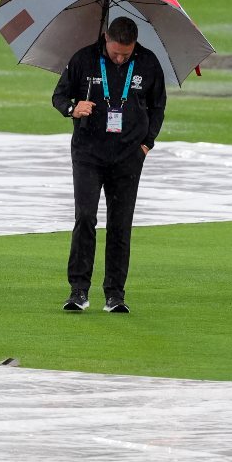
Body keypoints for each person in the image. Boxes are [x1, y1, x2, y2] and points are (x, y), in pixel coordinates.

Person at [51, 16, 166, 314]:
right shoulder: (84, 60)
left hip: (129, 156)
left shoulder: (149, 64)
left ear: (134, 46)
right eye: (115, 52)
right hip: (89, 153)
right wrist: (73, 109)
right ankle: (78, 291)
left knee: (120, 224)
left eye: (125, 55)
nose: (119, 58)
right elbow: (58, 95)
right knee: (85, 217)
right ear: (105, 38)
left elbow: (158, 106)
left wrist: (146, 143)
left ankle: (115, 294)